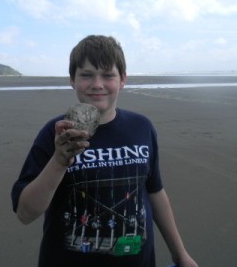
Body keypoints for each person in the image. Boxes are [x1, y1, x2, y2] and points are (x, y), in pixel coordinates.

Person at [11, 35, 198, 267]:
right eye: (86, 75)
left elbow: (155, 193)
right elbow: (25, 212)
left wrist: (180, 255)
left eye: (108, 75)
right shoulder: (56, 133)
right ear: (72, 80)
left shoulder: (141, 127)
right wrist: (59, 161)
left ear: (122, 80)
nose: (97, 84)